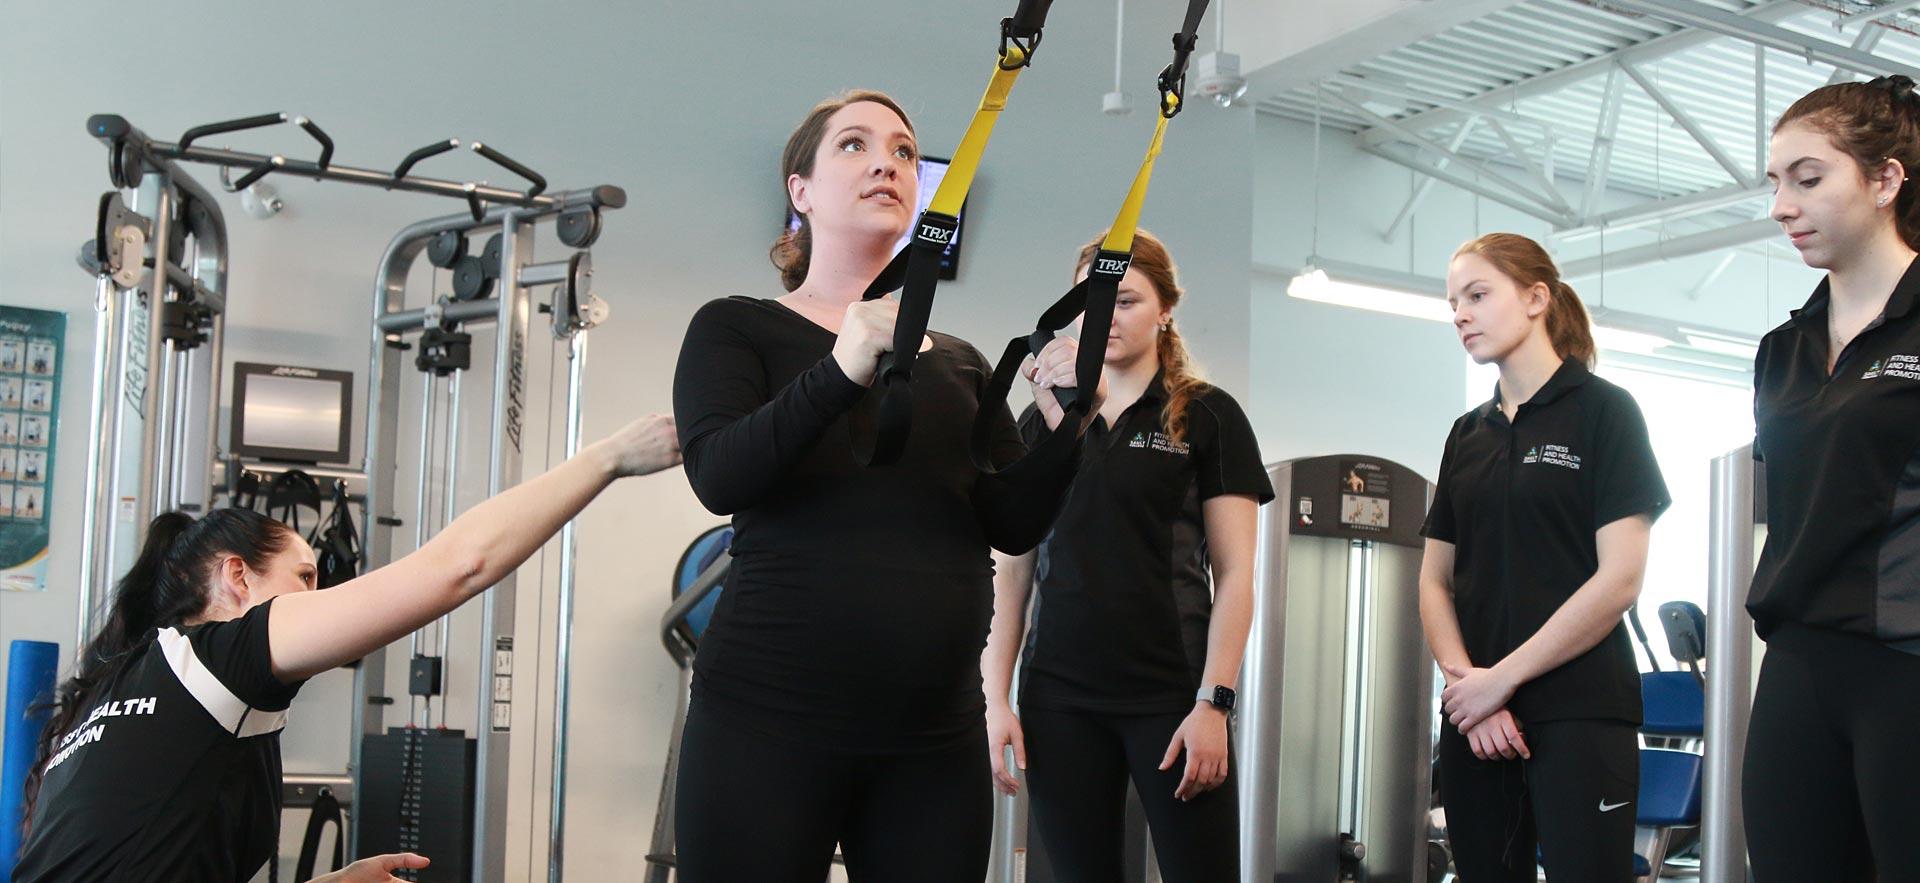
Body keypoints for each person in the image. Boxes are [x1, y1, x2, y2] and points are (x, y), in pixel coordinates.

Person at [670, 89, 1097, 883]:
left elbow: (1011, 522)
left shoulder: (962, 361)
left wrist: (1063, 425)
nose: (887, 164)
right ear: (800, 191)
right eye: (855, 146)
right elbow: (719, 474)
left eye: (903, 152)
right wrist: (840, 367)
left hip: (932, 737)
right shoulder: (736, 327)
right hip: (767, 723)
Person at [12, 413, 682, 883]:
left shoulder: (125, 681)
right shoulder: (218, 654)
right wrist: (610, 457)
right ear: (235, 576)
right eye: (304, 575)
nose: (316, 592)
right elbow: (459, 567)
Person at [980, 230, 1270, 883]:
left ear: (1166, 308)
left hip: (1173, 698)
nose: (1104, 315)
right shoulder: (1042, 421)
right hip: (1059, 698)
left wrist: (1214, 703)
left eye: (1128, 299)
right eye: (1089, 299)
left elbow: (1238, 574)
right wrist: (995, 696)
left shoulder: (1209, 417)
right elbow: (1013, 569)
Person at [1419, 232, 1669, 883]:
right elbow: (1434, 581)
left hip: (1580, 709)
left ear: (1536, 297)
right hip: (1476, 717)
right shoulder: (1466, 434)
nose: (1460, 314)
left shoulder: (1605, 413)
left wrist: (1501, 679)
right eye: (1453, 302)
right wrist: (1469, 689)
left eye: (1477, 294)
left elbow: (1620, 579)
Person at [1745, 74, 1920, 880]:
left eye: (1808, 178)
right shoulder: (1782, 350)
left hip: (1906, 666)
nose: (1783, 204)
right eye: (1776, 182)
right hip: (1798, 667)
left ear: (1885, 180)